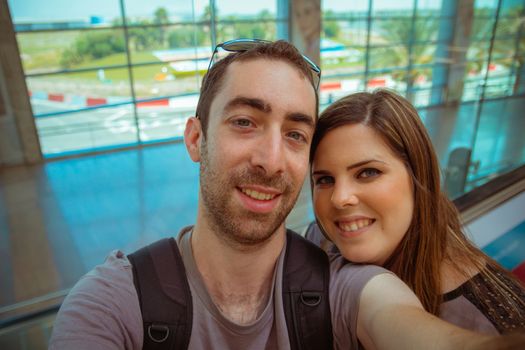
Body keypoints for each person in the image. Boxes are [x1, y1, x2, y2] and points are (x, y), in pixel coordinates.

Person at [49, 40, 524, 350]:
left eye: (296, 134)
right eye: (244, 122)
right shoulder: (112, 303)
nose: (272, 160)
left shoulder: (342, 282)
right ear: (196, 139)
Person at [309, 89, 525, 336]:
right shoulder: (318, 241)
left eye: (368, 172)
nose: (339, 198)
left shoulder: (496, 320)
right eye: (325, 179)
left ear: (418, 177)